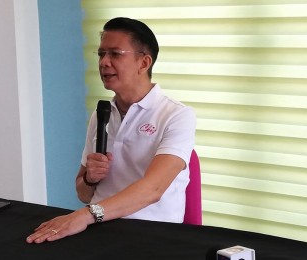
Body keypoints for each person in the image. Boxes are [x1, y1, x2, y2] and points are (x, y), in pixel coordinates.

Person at [26, 17, 196, 244]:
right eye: (101, 54)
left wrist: (85, 215)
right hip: (101, 229)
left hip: (153, 235)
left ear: (143, 63)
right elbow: (83, 194)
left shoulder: (176, 115)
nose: (104, 62)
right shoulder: (102, 113)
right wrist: (89, 179)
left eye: (115, 54)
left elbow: (152, 189)